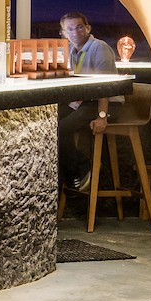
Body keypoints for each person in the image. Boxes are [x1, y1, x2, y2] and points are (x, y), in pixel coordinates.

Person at [56, 10, 118, 196]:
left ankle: (81, 170)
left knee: (62, 129)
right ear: (63, 33)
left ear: (88, 28)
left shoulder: (99, 48)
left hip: (105, 103)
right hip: (83, 102)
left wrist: (102, 117)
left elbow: (105, 87)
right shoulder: (70, 50)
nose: (75, 32)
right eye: (70, 29)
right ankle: (72, 174)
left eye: (79, 27)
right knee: (51, 125)